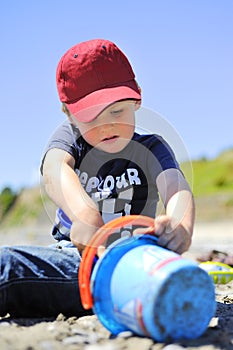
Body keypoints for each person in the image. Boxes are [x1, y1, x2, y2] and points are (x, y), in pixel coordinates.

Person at [0, 39, 195, 318]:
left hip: (137, 258)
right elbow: (54, 170)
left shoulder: (152, 148)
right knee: (7, 266)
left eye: (117, 111)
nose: (107, 125)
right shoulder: (71, 140)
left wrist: (180, 224)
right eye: (90, 118)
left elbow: (175, 186)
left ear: (137, 97)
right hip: (82, 258)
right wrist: (85, 214)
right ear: (68, 114)